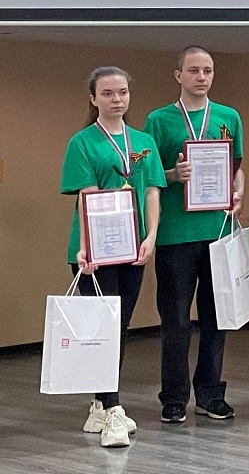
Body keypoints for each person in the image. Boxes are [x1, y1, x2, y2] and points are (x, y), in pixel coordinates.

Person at [60, 66, 164, 448]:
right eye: (107, 93)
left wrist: (151, 237)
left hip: (132, 249)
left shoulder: (144, 141)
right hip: (96, 251)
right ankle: (114, 410)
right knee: (103, 330)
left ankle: (99, 406)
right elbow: (87, 196)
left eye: (122, 92)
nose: (116, 99)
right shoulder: (82, 142)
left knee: (119, 329)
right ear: (93, 98)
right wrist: (87, 247)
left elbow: (152, 191)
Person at [144, 46, 244, 424]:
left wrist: (238, 193)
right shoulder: (158, 120)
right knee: (176, 322)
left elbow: (236, 167)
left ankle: (210, 394)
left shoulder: (229, 116)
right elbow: (149, 177)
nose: (202, 77)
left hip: (218, 232)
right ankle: (173, 398)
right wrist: (174, 175)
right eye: (194, 70)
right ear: (178, 75)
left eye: (208, 71)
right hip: (176, 235)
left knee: (217, 319)